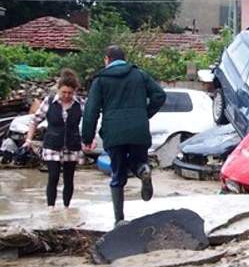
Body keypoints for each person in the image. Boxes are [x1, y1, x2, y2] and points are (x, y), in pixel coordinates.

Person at [81, 45, 166, 223]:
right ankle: (144, 170)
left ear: (107, 59)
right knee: (138, 162)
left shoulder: (100, 80)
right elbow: (159, 95)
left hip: (113, 133)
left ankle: (119, 220)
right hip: (138, 130)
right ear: (124, 58)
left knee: (117, 175)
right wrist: (144, 114)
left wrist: (87, 138)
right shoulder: (139, 74)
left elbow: (91, 111)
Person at [24, 69, 83, 209]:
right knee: (53, 176)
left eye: (70, 93)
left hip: (72, 145)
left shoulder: (80, 103)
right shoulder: (49, 102)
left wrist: (88, 139)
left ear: (74, 91)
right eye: (64, 92)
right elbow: (35, 120)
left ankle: (66, 208)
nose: (67, 96)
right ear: (58, 90)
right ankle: (51, 208)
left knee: (69, 178)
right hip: (52, 144)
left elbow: (89, 122)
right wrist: (28, 139)